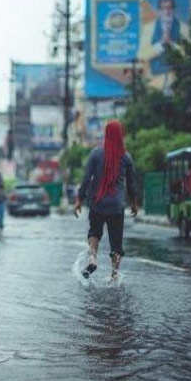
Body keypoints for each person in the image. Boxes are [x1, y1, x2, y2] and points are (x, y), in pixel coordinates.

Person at [73, 120, 138, 283]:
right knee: (116, 242)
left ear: (106, 134)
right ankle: (114, 275)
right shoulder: (126, 157)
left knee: (94, 233)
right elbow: (131, 183)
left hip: (97, 203)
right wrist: (134, 202)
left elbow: (86, 178)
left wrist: (79, 199)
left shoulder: (95, 154)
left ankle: (93, 258)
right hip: (117, 206)